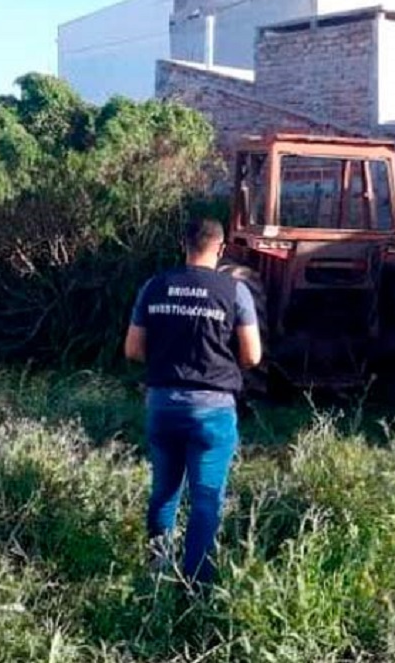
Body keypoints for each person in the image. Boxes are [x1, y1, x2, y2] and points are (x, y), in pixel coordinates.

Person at [124, 217, 262, 586]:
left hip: (163, 405)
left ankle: (156, 571)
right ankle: (196, 585)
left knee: (165, 490)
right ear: (220, 249)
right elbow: (253, 356)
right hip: (213, 411)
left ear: (184, 245)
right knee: (205, 498)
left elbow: (133, 350)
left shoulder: (154, 287)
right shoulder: (235, 291)